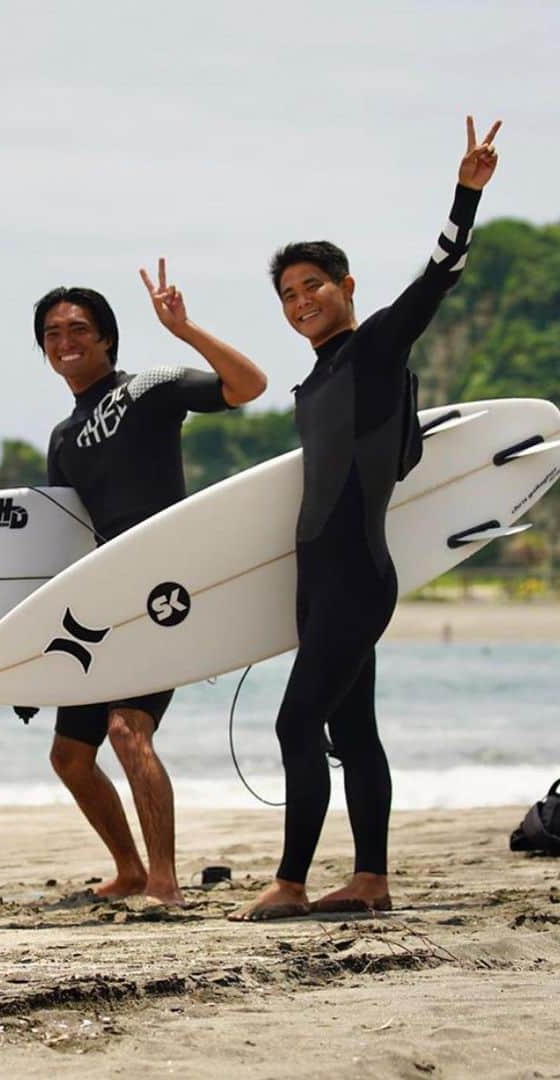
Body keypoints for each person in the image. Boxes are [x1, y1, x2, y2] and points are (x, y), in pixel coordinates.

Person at [232, 117, 502, 921]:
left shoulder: (377, 346)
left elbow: (440, 273)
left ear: (346, 289)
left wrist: (467, 193)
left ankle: (290, 881)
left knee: (294, 722)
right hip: (320, 580)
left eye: (313, 285)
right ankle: (372, 879)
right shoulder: (312, 389)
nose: (301, 301)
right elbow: (401, 455)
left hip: (354, 571)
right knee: (351, 732)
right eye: (287, 294)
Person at [36, 268, 268, 902]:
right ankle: (131, 870)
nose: (65, 341)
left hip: (162, 587)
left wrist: (183, 328)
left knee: (127, 729)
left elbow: (248, 385)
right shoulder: (62, 439)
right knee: (69, 757)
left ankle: (163, 882)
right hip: (104, 598)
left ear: (108, 339)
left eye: (78, 328)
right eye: (52, 333)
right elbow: (64, 538)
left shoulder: (150, 387)